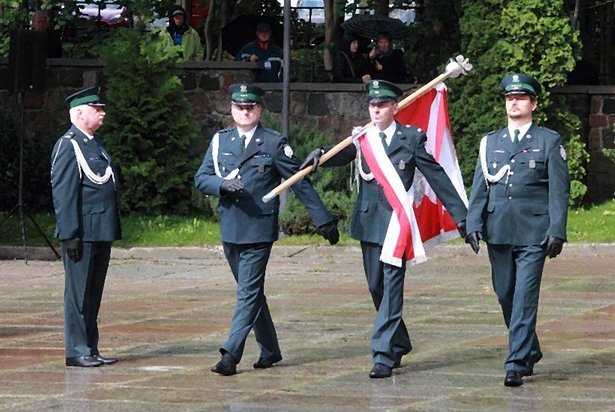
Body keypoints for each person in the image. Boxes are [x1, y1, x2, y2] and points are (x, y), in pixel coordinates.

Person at [299, 80, 469, 379]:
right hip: (368, 222)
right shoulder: (363, 138)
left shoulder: (411, 138)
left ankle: (383, 353)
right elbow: (342, 155)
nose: (376, 109)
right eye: (372, 105)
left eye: (382, 105)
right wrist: (319, 156)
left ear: (395, 107)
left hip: (396, 224)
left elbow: (437, 176)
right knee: (376, 287)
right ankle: (400, 341)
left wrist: (463, 218)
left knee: (391, 288)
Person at [194, 82, 339, 376]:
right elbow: (201, 177)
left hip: (259, 229)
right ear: (231, 109)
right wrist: (221, 184)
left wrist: (323, 219)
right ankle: (270, 349)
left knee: (247, 293)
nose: (244, 112)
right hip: (230, 226)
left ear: (259, 110)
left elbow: (299, 181)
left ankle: (230, 355)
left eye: (250, 107)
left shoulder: (273, 143)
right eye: (239, 107)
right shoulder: (221, 141)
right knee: (251, 292)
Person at [465, 73, 570, 388]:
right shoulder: (490, 142)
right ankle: (530, 348)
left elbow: (559, 191)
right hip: (498, 230)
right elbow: (480, 188)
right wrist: (472, 223)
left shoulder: (548, 141)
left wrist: (557, 229)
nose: (514, 102)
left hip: (534, 231)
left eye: (521, 98)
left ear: (533, 104)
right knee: (505, 293)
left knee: (524, 297)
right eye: (510, 98)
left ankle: (516, 362)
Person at [50, 86, 122, 368]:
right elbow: (64, 194)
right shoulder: (68, 145)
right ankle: (76, 350)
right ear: (79, 113)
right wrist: (69, 235)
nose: (102, 113)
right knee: (78, 295)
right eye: (97, 109)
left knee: (93, 294)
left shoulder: (93, 143)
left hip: (101, 230)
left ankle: (90, 348)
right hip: (82, 233)